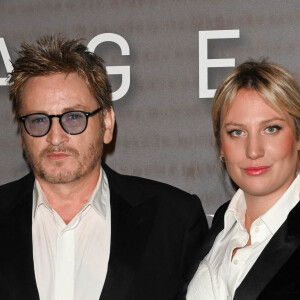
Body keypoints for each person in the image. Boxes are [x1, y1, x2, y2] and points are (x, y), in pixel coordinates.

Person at [0, 35, 208, 300]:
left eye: (73, 118)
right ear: (22, 132)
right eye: (38, 120)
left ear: (107, 124)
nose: (54, 137)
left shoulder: (174, 220)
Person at [187, 60, 300, 300]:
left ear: (298, 138)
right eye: (237, 132)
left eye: (271, 129)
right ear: (221, 146)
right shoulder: (220, 224)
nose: (253, 151)